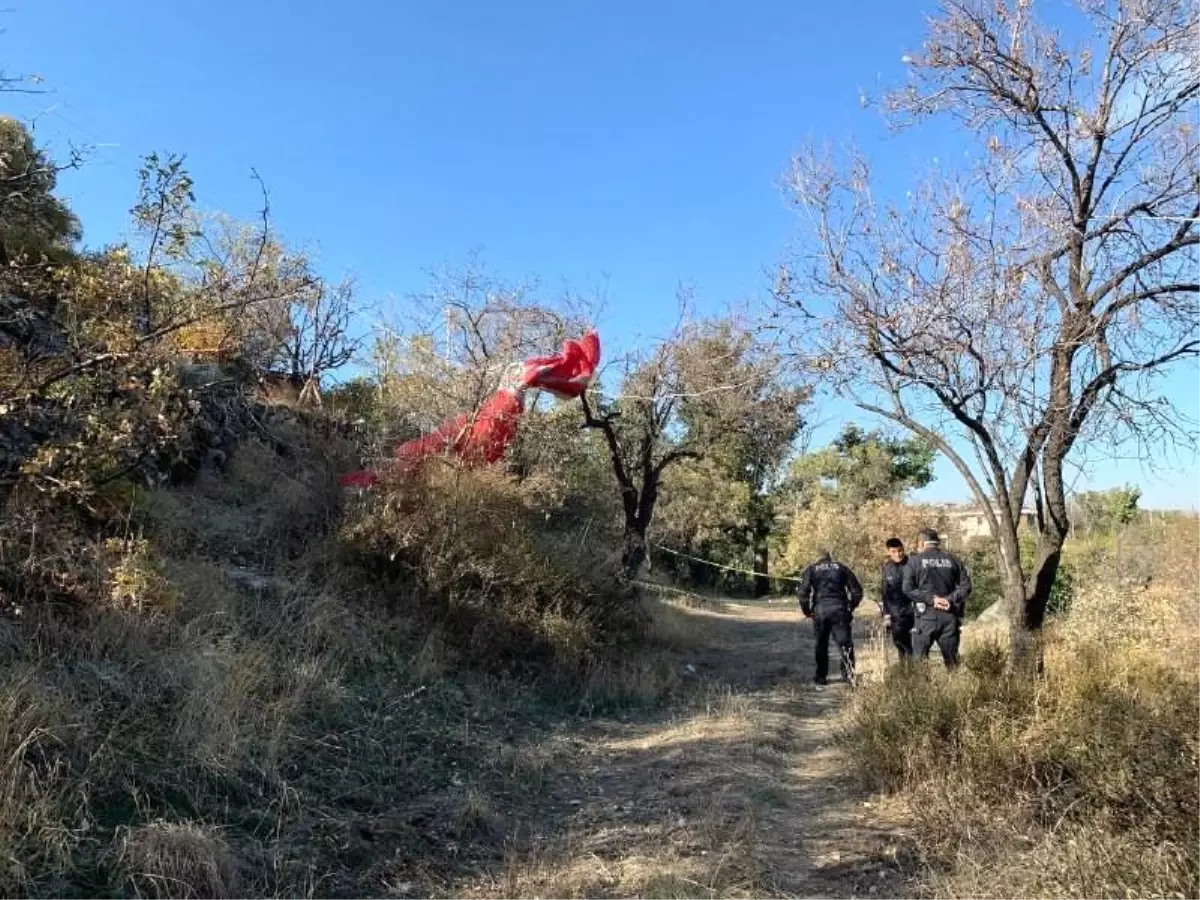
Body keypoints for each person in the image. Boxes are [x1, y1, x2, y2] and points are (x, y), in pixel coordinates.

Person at [902, 529, 972, 669]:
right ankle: (954, 689)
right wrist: (949, 600)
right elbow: (966, 586)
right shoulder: (953, 560)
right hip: (949, 616)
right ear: (937, 543)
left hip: (925, 618)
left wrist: (932, 599)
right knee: (952, 663)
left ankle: (924, 690)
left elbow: (907, 589)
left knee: (920, 663)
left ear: (921, 543)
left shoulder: (914, 561)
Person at [797, 549, 864, 685]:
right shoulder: (841, 568)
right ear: (830, 558)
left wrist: (807, 611)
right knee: (844, 643)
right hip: (839, 609)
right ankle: (848, 675)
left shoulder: (812, 570)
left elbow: (803, 593)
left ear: (817, 559)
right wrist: (851, 607)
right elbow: (857, 591)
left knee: (821, 644)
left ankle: (821, 677)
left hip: (820, 611)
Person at [880, 537, 914, 659]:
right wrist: (886, 614)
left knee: (914, 645)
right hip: (895, 613)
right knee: (899, 643)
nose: (898, 554)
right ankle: (904, 671)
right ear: (889, 552)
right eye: (894, 552)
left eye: (900, 551)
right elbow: (885, 592)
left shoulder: (912, 564)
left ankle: (915, 670)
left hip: (912, 611)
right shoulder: (887, 567)